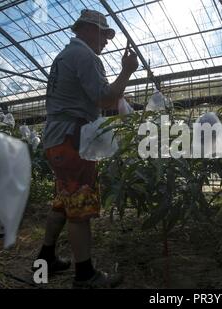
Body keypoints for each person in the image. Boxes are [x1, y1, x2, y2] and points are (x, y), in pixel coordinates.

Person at [35, 9, 138, 288]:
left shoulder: (64, 57)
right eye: (103, 34)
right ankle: (85, 276)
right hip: (72, 141)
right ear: (86, 29)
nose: (106, 40)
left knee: (62, 204)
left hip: (58, 139)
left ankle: (44, 262)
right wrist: (127, 71)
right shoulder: (85, 56)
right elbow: (105, 99)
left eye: (108, 35)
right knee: (79, 208)